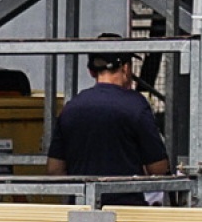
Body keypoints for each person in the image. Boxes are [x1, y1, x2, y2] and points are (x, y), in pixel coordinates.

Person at [44, 44, 173, 202]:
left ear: (92, 71)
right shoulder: (136, 105)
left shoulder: (70, 108)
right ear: (126, 68)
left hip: (81, 208)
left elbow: (54, 170)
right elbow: (158, 168)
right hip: (126, 209)